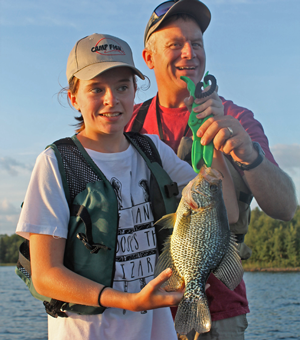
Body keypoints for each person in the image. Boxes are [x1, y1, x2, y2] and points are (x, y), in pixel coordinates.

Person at [16, 33, 238, 340]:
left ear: (135, 90)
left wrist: (214, 137)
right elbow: (45, 277)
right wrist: (128, 302)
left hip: (154, 329)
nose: (112, 99)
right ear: (73, 96)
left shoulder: (152, 151)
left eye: (122, 86)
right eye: (96, 88)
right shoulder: (58, 162)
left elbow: (223, 206)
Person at [125, 0, 297, 339]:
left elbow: (286, 207)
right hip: (140, 310)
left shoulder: (238, 121)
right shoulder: (128, 124)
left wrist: (247, 152)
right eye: (175, 44)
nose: (190, 53)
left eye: (197, 43)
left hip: (218, 313)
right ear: (149, 58)